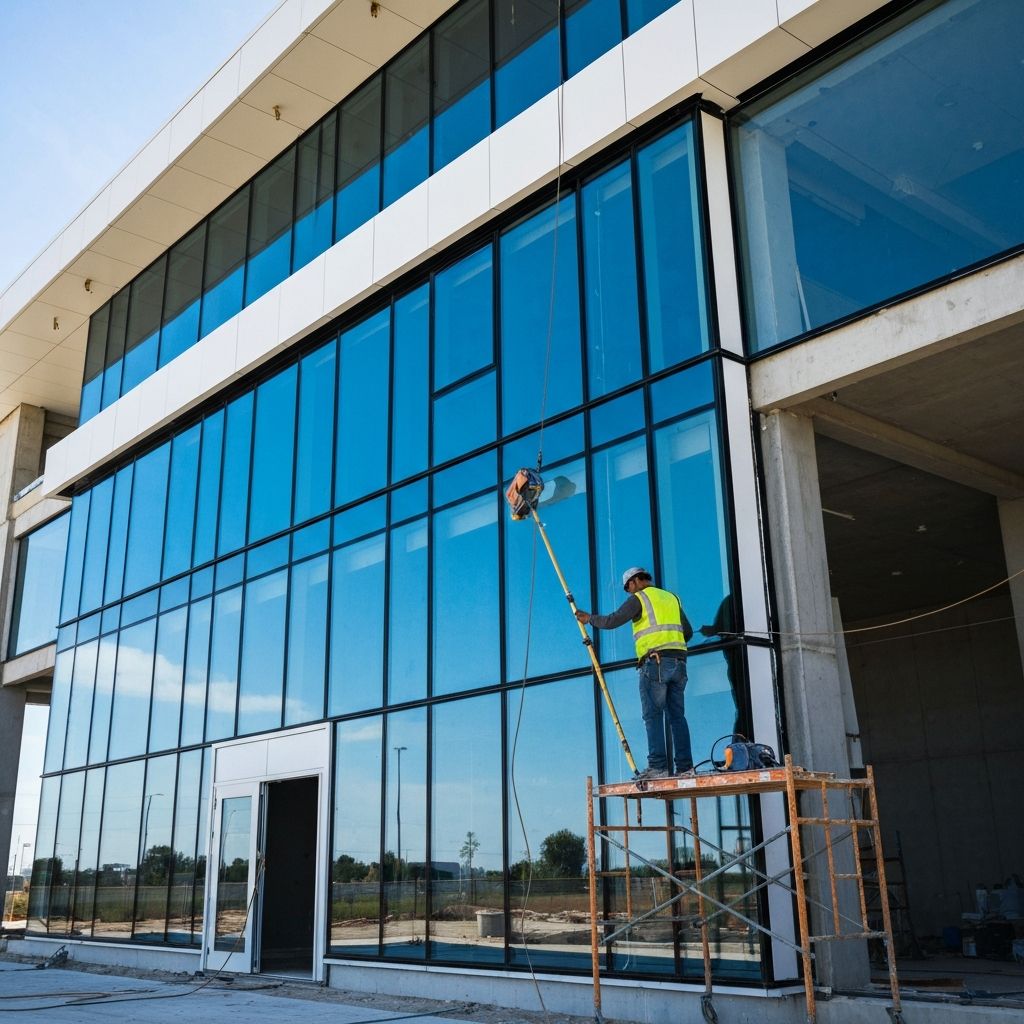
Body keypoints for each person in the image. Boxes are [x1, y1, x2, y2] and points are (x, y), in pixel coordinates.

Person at [576, 567, 693, 780]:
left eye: (628, 587)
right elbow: (688, 632)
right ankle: (685, 768)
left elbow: (613, 620)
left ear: (636, 581)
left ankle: (658, 767)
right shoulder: (671, 598)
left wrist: (589, 619)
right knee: (677, 716)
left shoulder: (641, 598)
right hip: (679, 662)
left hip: (655, 662)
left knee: (653, 715)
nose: (628, 592)